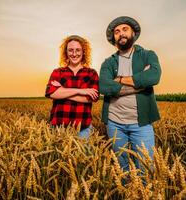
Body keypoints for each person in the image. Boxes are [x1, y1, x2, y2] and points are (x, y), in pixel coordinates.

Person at [99, 16, 162, 171]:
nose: (121, 34)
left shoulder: (148, 55)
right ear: (114, 38)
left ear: (133, 32)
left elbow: (154, 76)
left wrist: (118, 79)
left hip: (141, 124)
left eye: (125, 29)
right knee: (122, 169)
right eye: (117, 32)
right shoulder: (108, 62)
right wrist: (140, 84)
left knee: (147, 168)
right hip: (114, 123)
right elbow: (103, 86)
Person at [45, 35, 99, 138]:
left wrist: (62, 91)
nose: (74, 54)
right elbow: (51, 93)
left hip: (83, 128)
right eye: (70, 50)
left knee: (84, 154)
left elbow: (91, 98)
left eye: (78, 50)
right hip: (58, 127)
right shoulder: (58, 72)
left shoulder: (91, 73)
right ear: (66, 52)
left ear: (84, 52)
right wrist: (81, 91)